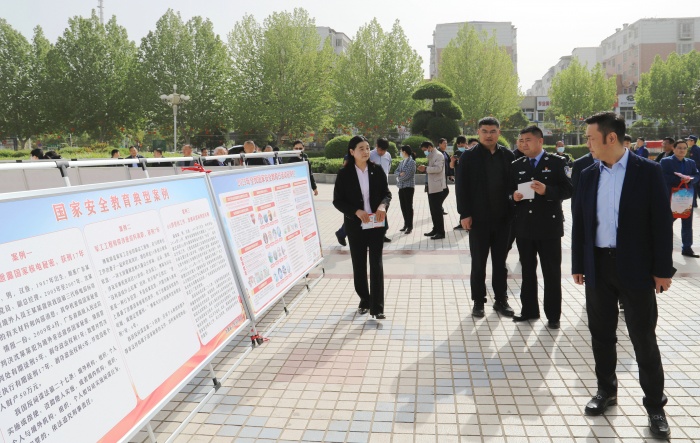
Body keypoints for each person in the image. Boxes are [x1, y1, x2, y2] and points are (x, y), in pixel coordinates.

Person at [572, 112, 674, 439]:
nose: (587, 143)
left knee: (643, 338)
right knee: (601, 335)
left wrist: (663, 270)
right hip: (598, 265)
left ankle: (655, 406)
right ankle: (606, 391)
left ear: (611, 138)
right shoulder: (587, 173)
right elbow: (580, 222)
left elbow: (661, 223)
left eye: (591, 138)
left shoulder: (648, 172)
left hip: (636, 267)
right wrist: (579, 264)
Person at [510, 126, 572, 329]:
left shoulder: (556, 162)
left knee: (551, 272)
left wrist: (547, 191)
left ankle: (553, 315)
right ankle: (529, 310)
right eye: (521, 140)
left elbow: (569, 189)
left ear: (540, 141)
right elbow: (508, 191)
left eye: (528, 140)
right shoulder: (517, 164)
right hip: (524, 227)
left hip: (548, 227)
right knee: (527, 271)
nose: (524, 144)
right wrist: (513, 197)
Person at [458, 116, 515, 318]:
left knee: (500, 263)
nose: (488, 135)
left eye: (492, 131)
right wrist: (464, 214)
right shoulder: (469, 157)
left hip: (503, 219)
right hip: (478, 220)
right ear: (478, 132)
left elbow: (514, 185)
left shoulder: (508, 156)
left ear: (499, 133)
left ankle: (501, 300)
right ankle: (478, 301)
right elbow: (461, 187)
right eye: (484, 131)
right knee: (478, 263)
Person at [333, 135, 391, 320]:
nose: (366, 152)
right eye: (361, 148)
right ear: (352, 152)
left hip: (376, 225)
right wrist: (356, 211)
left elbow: (387, 194)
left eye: (367, 148)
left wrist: (383, 206)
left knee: (376, 264)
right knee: (359, 264)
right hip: (356, 226)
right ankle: (365, 300)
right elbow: (337, 201)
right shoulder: (344, 174)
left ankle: (378, 307)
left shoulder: (376, 169)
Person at [660, 139, 700, 257]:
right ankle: (665, 248)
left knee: (687, 223)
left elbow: (697, 175)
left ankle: (687, 248)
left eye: (684, 148)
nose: (682, 150)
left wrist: (690, 179)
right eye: (679, 148)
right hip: (672, 197)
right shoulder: (666, 161)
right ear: (674, 149)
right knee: (667, 223)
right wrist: (680, 180)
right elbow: (662, 176)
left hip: (686, 197)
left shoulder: (690, 162)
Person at [417, 141, 447, 240]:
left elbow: (438, 169)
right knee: (433, 210)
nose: (425, 152)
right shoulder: (431, 155)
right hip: (431, 186)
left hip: (437, 187)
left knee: (437, 211)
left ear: (430, 147)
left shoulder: (438, 155)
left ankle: (441, 232)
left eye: (425, 150)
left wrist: (425, 168)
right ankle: (435, 229)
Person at [370, 138, 393, 242]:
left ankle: (382, 234)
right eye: (380, 150)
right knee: (373, 211)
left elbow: (388, 168)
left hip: (384, 187)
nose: (382, 152)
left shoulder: (388, 156)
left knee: (383, 210)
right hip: (372, 188)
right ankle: (376, 234)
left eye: (384, 150)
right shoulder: (370, 155)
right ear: (376, 146)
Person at [450, 136, 471, 231]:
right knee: (460, 199)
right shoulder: (457, 153)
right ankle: (461, 221)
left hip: (468, 181)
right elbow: (451, 166)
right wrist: (453, 161)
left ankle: (468, 221)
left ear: (466, 144)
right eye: (459, 145)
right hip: (458, 180)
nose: (460, 147)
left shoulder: (469, 153)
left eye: (462, 145)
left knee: (467, 199)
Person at [395, 145, 416, 234]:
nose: (400, 153)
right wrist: (400, 174)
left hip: (408, 187)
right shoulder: (402, 162)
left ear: (405, 152)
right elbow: (396, 171)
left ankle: (410, 226)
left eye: (401, 151)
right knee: (403, 206)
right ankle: (406, 224)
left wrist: (399, 177)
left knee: (408, 206)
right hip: (401, 187)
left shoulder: (412, 162)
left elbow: (408, 175)